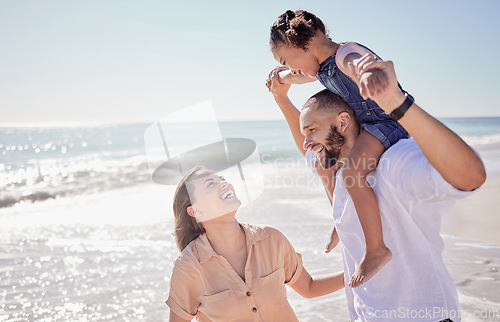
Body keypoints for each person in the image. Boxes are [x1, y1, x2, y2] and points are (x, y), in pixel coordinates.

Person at [267, 55, 486, 321]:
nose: (306, 143)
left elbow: (471, 176)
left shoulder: (393, 162)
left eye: (312, 130)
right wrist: (281, 99)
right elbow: (306, 147)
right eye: (306, 134)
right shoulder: (335, 166)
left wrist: (398, 104)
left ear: (343, 122)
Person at [269, 9, 411, 287]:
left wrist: (369, 72)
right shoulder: (321, 69)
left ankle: (377, 250)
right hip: (369, 124)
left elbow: (361, 62)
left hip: (387, 121)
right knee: (329, 166)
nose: (290, 67)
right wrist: (281, 78)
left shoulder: (345, 54)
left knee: (352, 175)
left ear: (301, 43)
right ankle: (342, 220)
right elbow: (298, 75)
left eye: (285, 59)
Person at [166, 165, 344, 322]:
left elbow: (308, 287)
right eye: (211, 184)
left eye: (222, 179)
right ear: (195, 210)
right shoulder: (189, 267)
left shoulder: (271, 239)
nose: (224, 183)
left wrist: (362, 271)